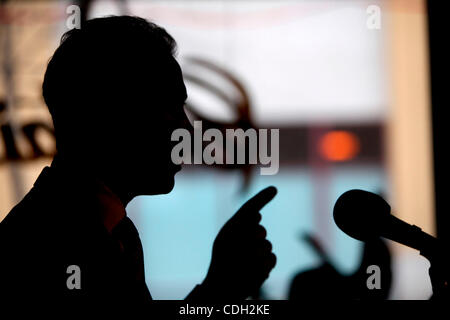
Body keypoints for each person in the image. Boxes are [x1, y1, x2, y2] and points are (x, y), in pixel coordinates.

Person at [0, 16, 277, 306]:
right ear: (111, 114)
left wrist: (219, 289)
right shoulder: (43, 247)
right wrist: (220, 290)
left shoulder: (112, 232)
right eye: (169, 109)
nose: (185, 129)